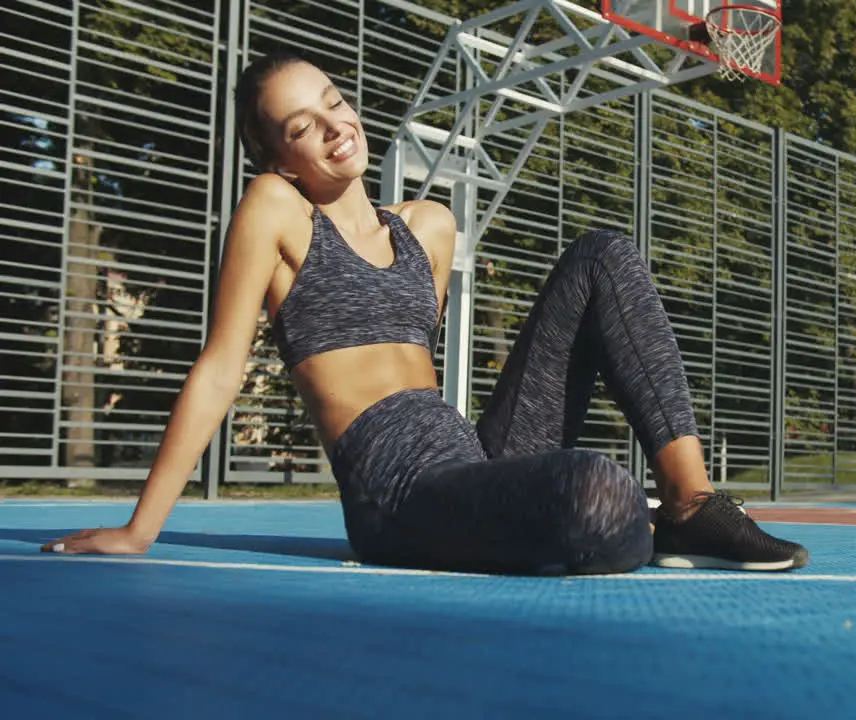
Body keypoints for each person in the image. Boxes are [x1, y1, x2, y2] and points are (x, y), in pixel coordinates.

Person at [41, 50, 809, 575]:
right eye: (301, 126)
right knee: (594, 490)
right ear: (280, 158)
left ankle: (687, 503)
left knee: (602, 256)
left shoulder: (428, 227)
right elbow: (219, 368)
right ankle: (617, 510)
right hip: (395, 492)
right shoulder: (275, 209)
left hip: (468, 454)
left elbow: (422, 369)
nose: (333, 125)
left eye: (333, 103)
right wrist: (140, 531)